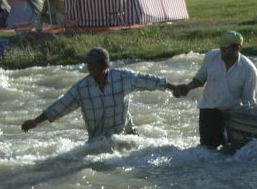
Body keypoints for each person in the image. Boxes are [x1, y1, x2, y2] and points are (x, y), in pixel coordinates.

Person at [21, 47, 176, 141]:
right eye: (89, 64)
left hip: (126, 137)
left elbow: (147, 80)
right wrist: (36, 121)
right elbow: (62, 105)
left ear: (104, 65)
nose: (90, 68)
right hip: (98, 142)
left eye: (93, 64)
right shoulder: (82, 88)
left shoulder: (122, 78)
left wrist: (172, 87)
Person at [170, 31, 257, 149]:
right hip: (209, 111)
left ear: (237, 48)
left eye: (226, 47)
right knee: (208, 152)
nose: (222, 49)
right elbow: (201, 78)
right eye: (221, 46)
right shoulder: (211, 56)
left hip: (232, 115)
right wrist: (187, 87)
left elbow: (248, 101)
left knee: (229, 153)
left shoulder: (249, 70)